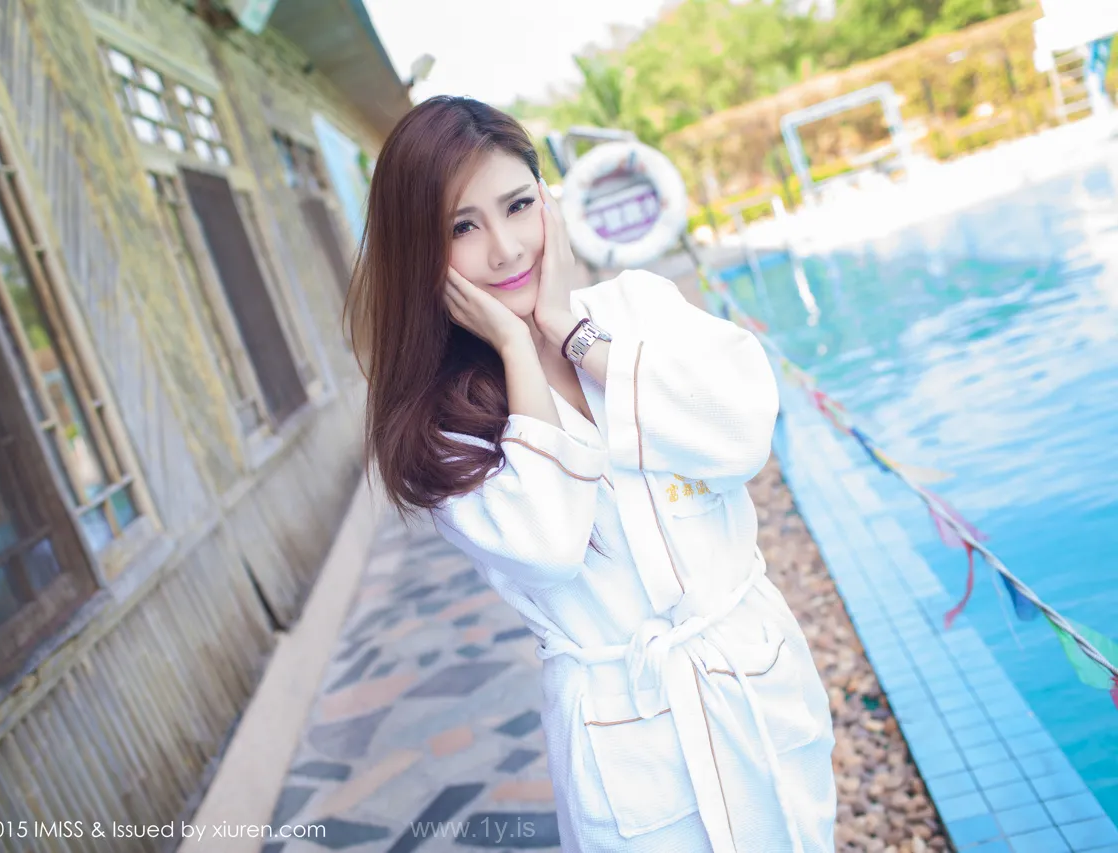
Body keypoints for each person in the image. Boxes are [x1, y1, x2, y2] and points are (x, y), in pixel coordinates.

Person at [346, 95, 836, 853]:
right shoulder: (438, 421)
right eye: (461, 228)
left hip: (754, 680)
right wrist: (517, 350)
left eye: (518, 206)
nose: (506, 249)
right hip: (627, 737)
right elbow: (548, 545)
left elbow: (742, 432)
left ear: (549, 201)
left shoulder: (639, 306)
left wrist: (572, 334)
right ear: (419, 252)